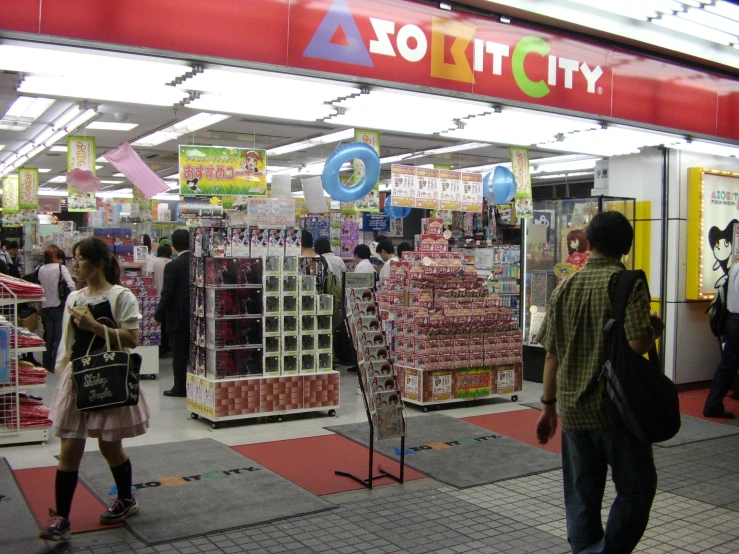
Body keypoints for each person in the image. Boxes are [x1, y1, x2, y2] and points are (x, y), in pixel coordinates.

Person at [535, 211, 663, 554]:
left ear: (588, 243)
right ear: (626, 247)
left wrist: (548, 409)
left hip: (574, 413)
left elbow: (551, 354)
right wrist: (656, 329)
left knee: (581, 496)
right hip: (616, 410)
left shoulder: (567, 287)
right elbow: (638, 343)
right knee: (636, 488)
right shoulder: (627, 283)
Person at [40, 237, 148, 541]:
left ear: (97, 263)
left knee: (109, 445)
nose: (75, 264)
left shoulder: (121, 296)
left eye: (80, 258)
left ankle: (126, 499)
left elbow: (132, 338)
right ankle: (61, 518)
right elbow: (67, 343)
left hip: (108, 377)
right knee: (69, 448)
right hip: (79, 377)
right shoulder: (74, 298)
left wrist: (95, 327)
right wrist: (63, 373)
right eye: (74, 258)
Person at [155, 229, 190, 397]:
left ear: (174, 246)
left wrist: (158, 316)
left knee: (178, 355)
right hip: (197, 317)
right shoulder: (200, 263)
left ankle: (180, 387)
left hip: (177, 318)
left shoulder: (172, 266)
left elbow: (167, 293)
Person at [704, 258, 739, 418]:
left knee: (727, 364)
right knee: (728, 364)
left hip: (732, 320)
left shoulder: (734, 269)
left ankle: (713, 404)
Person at [38, 245, 76, 372]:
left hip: (45, 306)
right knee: (59, 336)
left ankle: (46, 364)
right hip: (59, 305)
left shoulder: (41, 269)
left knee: (48, 336)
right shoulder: (60, 267)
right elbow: (71, 285)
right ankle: (56, 364)